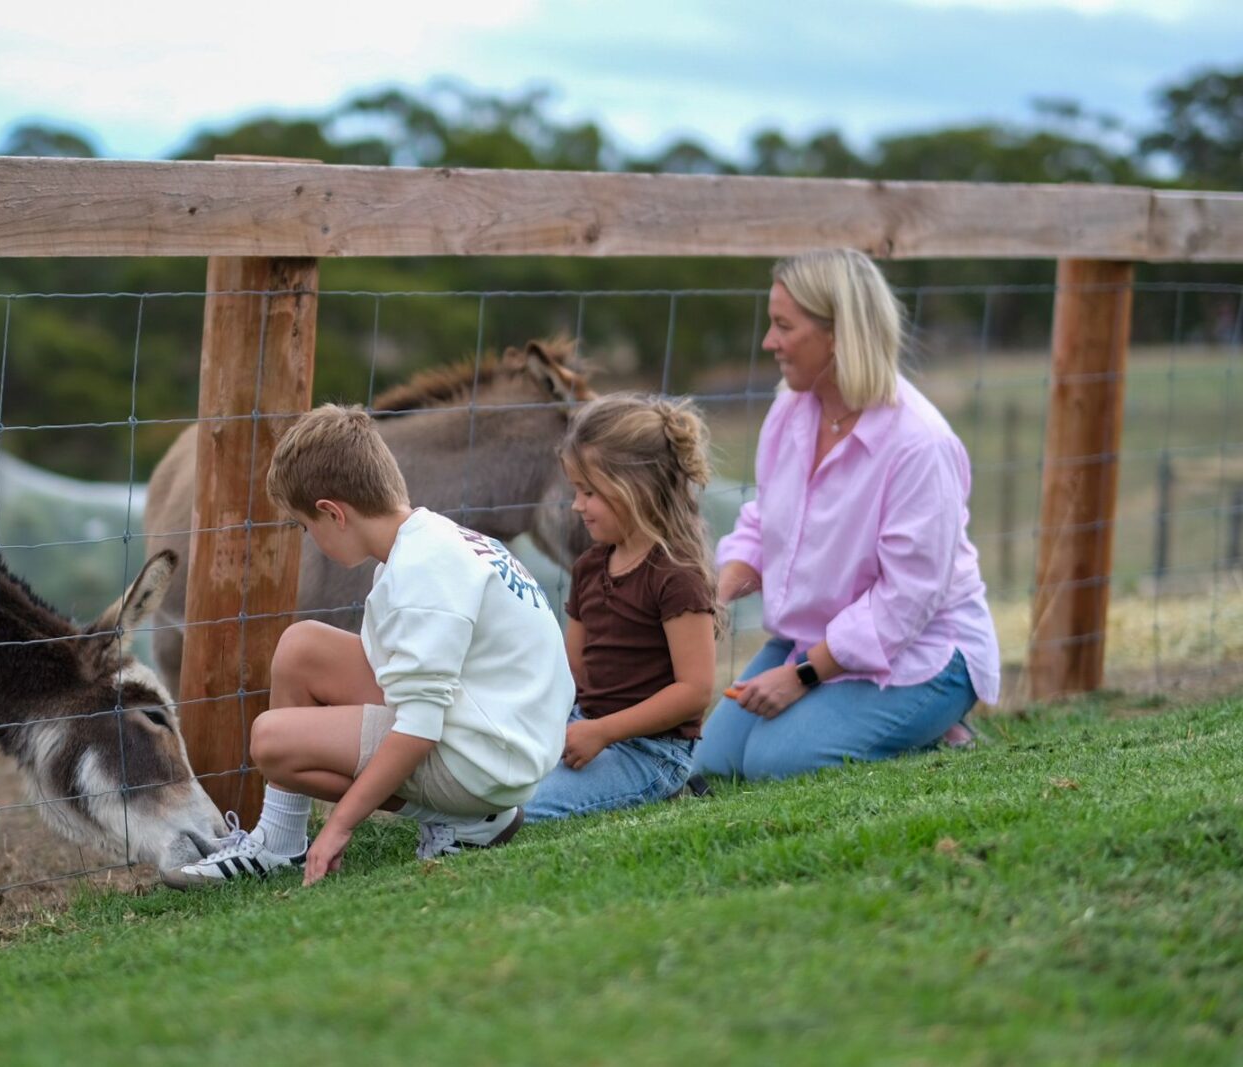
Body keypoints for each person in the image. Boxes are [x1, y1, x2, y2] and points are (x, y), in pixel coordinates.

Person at [167, 404, 573, 888]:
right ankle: (279, 841)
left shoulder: (421, 572)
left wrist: (339, 825)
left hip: (489, 759)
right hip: (493, 726)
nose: (310, 542)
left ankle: (469, 818)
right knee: (301, 646)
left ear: (333, 513)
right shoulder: (430, 540)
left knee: (273, 740)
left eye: (305, 528)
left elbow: (420, 726)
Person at [692, 248, 1001, 782]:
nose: (769, 342)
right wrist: (712, 598)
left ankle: (934, 730)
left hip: (923, 649)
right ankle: (872, 724)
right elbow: (763, 523)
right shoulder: (790, 410)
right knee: (712, 768)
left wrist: (801, 676)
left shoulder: (919, 445)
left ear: (838, 334)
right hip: (812, 640)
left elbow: (907, 602)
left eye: (783, 326)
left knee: (775, 764)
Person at [523, 394, 721, 822]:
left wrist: (602, 732)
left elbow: (694, 692)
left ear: (636, 490)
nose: (577, 505)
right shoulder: (590, 567)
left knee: (525, 811)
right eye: (576, 490)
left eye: (589, 491)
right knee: (491, 788)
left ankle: (666, 788)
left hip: (650, 751)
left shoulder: (677, 578)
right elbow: (572, 671)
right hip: (585, 727)